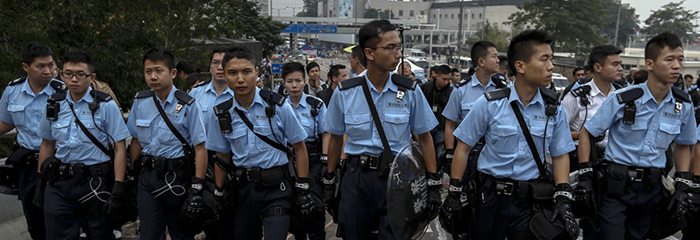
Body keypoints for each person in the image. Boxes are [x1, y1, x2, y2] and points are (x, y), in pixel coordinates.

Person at [444, 30, 578, 240]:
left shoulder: (553, 109)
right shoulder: (490, 104)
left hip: (530, 200)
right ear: (520, 66)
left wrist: (563, 194)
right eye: (544, 59)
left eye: (551, 59)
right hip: (490, 197)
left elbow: (560, 154)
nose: (551, 66)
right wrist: (454, 190)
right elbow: (464, 147)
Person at [322, 19, 439, 239]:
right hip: (357, 178)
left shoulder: (410, 91)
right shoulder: (346, 92)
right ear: (370, 53)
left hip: (398, 178)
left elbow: (425, 137)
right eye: (390, 47)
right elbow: (335, 138)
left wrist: (432, 183)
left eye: (398, 47)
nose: (398, 53)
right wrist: (330, 179)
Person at [577, 32, 697, 240]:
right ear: (650, 64)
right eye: (669, 60)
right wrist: (585, 175)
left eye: (680, 59)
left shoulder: (683, 105)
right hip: (616, 187)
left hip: (652, 189)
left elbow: (684, 145)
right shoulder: (623, 99)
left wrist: (683, 182)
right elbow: (588, 133)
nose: (677, 66)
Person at [206, 46, 318, 239]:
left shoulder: (278, 106)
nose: (240, 79)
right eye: (232, 73)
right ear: (224, 74)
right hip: (243, 191)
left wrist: (303, 186)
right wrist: (219, 191)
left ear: (256, 72)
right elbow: (222, 157)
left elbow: (299, 148)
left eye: (246, 72)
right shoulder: (221, 113)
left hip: (277, 190)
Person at [36, 49, 130, 239]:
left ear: (91, 77)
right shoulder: (54, 103)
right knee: (56, 234)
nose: (74, 79)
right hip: (60, 182)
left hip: (95, 181)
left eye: (80, 74)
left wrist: (119, 186)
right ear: (61, 75)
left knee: (99, 233)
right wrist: (41, 180)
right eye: (68, 74)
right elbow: (47, 143)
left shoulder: (105, 105)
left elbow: (119, 148)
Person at [127, 48, 209, 239]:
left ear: (172, 73)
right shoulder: (140, 101)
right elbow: (136, 141)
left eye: (158, 71)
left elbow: (200, 148)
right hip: (148, 178)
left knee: (181, 234)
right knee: (149, 234)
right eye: (148, 72)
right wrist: (133, 176)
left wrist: (197, 185)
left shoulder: (188, 104)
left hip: (178, 178)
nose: (153, 76)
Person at [0, 42, 64, 240]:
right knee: (34, 219)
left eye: (51, 65)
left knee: (60, 218)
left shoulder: (64, 91)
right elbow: (5, 123)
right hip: (28, 165)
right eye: (41, 66)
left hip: (58, 164)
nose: (48, 71)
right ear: (26, 67)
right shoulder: (13, 91)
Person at [187, 48, 235, 239]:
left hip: (232, 162)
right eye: (215, 62)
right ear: (210, 67)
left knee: (231, 218)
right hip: (203, 162)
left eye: (224, 63)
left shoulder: (239, 93)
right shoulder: (196, 94)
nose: (219, 67)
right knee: (209, 216)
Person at [281, 61, 329, 240]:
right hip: (287, 163)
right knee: (294, 208)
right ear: (283, 82)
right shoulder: (277, 106)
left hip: (313, 161)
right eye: (289, 81)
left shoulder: (315, 105)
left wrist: (325, 161)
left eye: (298, 81)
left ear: (305, 81)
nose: (294, 86)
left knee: (315, 206)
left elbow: (326, 133)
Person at [442, 41, 502, 179]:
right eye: (494, 56)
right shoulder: (460, 91)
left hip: (494, 154)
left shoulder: (502, 89)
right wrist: (450, 153)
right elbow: (450, 125)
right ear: (481, 61)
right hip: (467, 153)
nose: (498, 60)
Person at [562, 45, 623, 172]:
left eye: (620, 64)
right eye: (615, 64)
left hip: (614, 162)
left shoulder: (622, 96)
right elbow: (556, 131)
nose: (620, 69)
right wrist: (583, 135)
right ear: (598, 67)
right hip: (581, 160)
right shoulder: (577, 97)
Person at [420, 64, 453, 173]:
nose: (447, 82)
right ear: (436, 76)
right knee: (424, 153)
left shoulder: (452, 92)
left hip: (441, 127)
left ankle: (437, 174)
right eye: (444, 79)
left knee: (440, 153)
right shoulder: (426, 87)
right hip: (426, 126)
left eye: (449, 79)